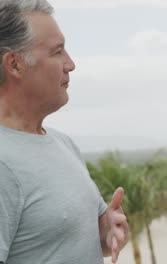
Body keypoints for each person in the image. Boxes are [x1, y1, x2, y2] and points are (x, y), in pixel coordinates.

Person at [0, 1, 128, 263]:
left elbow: (67, 236)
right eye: (57, 52)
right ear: (14, 64)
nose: (70, 64)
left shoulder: (62, 143)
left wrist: (106, 230)